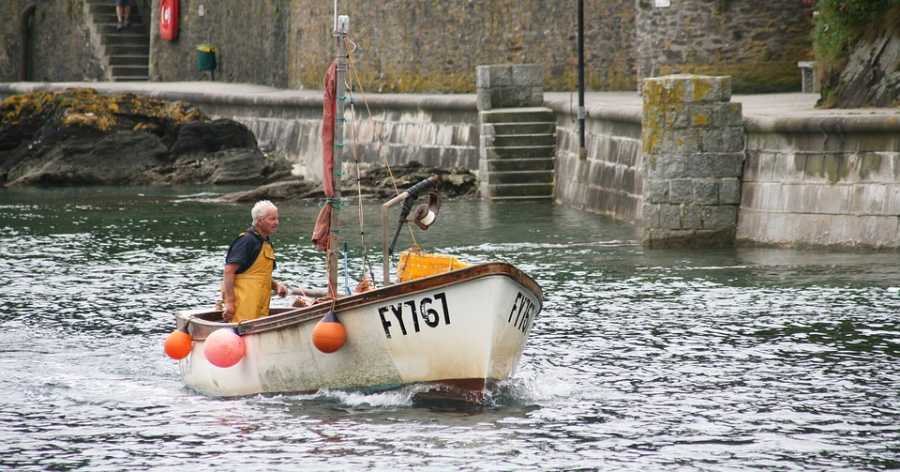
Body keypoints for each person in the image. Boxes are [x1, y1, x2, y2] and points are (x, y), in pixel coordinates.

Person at [221, 200, 288, 323]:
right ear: (259, 220)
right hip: (242, 306)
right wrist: (229, 303)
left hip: (259, 306)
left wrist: (276, 285)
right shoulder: (246, 241)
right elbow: (228, 272)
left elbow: (258, 275)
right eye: (272, 219)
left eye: (277, 219)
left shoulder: (266, 242)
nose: (276, 223)